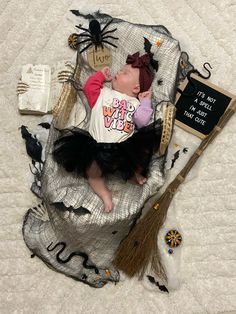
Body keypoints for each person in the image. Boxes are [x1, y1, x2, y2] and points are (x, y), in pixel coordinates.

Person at [53, 52, 161, 212]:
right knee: (92, 172)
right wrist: (100, 76)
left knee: (138, 159)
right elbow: (89, 87)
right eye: (120, 70)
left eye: (125, 73)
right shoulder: (102, 93)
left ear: (136, 88)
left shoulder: (135, 103)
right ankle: (104, 194)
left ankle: (133, 175)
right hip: (95, 146)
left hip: (124, 147)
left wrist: (145, 101)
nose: (118, 72)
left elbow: (142, 121)